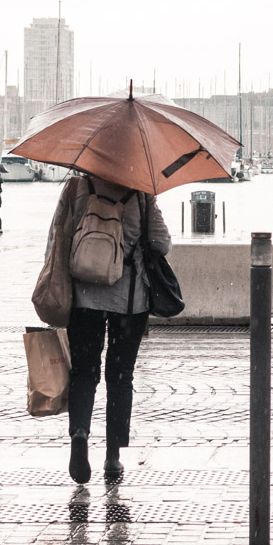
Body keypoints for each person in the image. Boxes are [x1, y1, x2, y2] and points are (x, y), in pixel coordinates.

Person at [42, 173, 171, 484]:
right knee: (121, 375)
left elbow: (57, 236)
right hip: (129, 301)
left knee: (84, 372)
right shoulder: (141, 193)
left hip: (83, 299)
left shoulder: (76, 187)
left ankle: (80, 436)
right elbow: (161, 243)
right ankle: (113, 457)